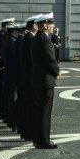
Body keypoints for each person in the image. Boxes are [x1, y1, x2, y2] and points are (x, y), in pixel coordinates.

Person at [31, 12, 60, 149]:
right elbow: (50, 59)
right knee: (44, 111)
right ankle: (43, 141)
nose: (53, 26)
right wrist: (57, 70)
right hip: (45, 80)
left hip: (38, 79)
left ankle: (38, 139)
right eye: (51, 23)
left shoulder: (37, 37)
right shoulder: (43, 39)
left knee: (38, 110)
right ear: (45, 25)